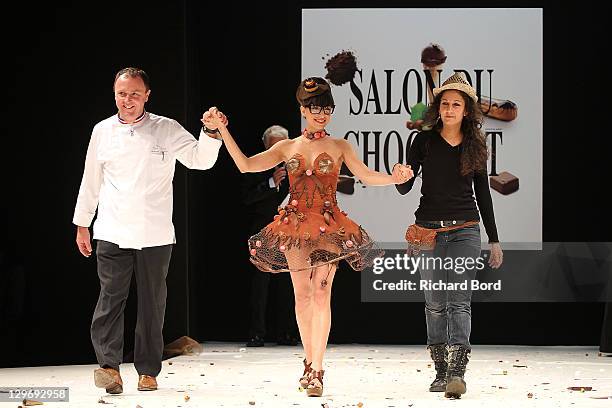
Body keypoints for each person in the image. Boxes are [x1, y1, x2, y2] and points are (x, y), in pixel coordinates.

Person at [203, 77, 412, 397]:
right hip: (295, 227)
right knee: (302, 294)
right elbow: (245, 165)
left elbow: (366, 175)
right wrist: (222, 130)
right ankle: (308, 362)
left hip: (329, 224)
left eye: (327, 109)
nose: (321, 114)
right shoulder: (288, 147)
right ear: (303, 110)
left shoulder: (340, 146)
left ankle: (318, 368)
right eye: (315, 108)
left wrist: (394, 178)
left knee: (322, 291)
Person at [73, 67, 225, 394]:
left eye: (134, 94)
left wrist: (211, 134)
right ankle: (109, 367)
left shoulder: (165, 129)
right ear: (115, 95)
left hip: (155, 233)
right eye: (122, 94)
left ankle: (147, 370)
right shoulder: (102, 131)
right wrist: (82, 222)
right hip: (112, 229)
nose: (128, 100)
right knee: (110, 299)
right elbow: (91, 180)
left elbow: (201, 160)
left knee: (152, 304)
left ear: (147, 95)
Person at [395, 72, 503, 398]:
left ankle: (458, 371)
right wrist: (400, 175)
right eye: (445, 104)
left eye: (457, 104)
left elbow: (483, 194)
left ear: (466, 110)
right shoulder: (423, 141)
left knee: (459, 302)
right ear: (438, 108)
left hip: (465, 230)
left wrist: (494, 240)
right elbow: (404, 187)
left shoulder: (475, 144)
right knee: (435, 304)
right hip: (427, 231)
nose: (450, 109)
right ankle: (440, 370)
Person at [242, 125, 297, 347]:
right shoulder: (255, 167)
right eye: (272, 146)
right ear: (265, 147)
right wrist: (271, 183)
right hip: (262, 234)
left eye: (281, 145)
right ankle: (257, 333)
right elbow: (246, 198)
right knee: (259, 286)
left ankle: (286, 332)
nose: (277, 150)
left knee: (287, 285)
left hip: (289, 235)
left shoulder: (296, 168)